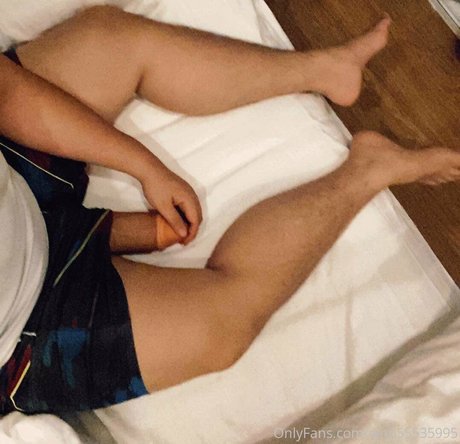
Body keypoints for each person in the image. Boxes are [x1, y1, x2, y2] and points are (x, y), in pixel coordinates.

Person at [0, 6, 459, 414]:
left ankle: (326, 69)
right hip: (29, 323)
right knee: (222, 326)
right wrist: (113, 229)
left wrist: (143, 166)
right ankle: (369, 170)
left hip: (16, 170)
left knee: (111, 40)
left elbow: (8, 95)